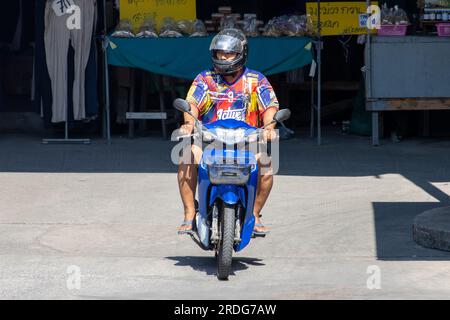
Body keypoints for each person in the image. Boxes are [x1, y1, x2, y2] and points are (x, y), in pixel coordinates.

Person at [177, 28, 279, 236]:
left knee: (267, 165)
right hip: (210, 140)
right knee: (186, 157)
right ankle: (189, 213)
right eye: (220, 53)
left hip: (248, 141)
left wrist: (270, 128)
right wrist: (189, 123)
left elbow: (270, 107)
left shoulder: (256, 79)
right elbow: (192, 104)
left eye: (229, 53)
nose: (224, 57)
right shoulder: (205, 79)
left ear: (241, 54)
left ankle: (255, 213)